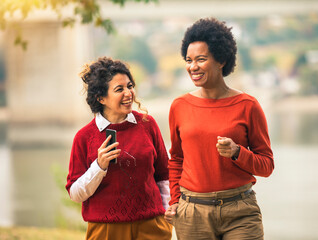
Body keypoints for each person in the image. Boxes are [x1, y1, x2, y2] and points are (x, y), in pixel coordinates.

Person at [164, 18, 274, 240]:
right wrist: (175, 201)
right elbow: (176, 160)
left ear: (221, 60)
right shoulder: (179, 106)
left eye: (201, 59)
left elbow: (267, 166)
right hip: (192, 213)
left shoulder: (248, 105)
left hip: (240, 213)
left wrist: (237, 153)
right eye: (188, 60)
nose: (193, 66)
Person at [66, 57, 172, 240]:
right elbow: (75, 194)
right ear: (101, 98)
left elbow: (164, 176)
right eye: (119, 89)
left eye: (129, 86)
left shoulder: (148, 124)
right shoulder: (84, 137)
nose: (129, 93)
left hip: (152, 226)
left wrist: (167, 214)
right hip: (106, 231)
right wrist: (99, 166)